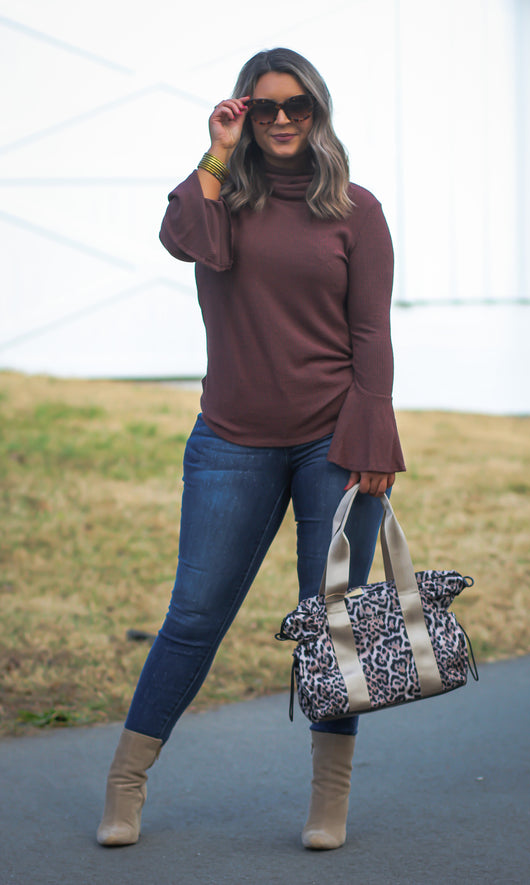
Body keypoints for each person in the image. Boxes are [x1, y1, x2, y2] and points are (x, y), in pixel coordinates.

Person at [97, 47, 405, 852]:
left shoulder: (356, 210)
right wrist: (214, 149)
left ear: (318, 113)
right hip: (231, 439)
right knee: (194, 617)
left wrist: (376, 435)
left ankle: (329, 799)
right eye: (261, 106)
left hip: (334, 441)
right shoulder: (221, 202)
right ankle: (125, 787)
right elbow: (181, 239)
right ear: (241, 112)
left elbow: (371, 331)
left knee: (335, 618)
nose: (279, 119)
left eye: (295, 106)